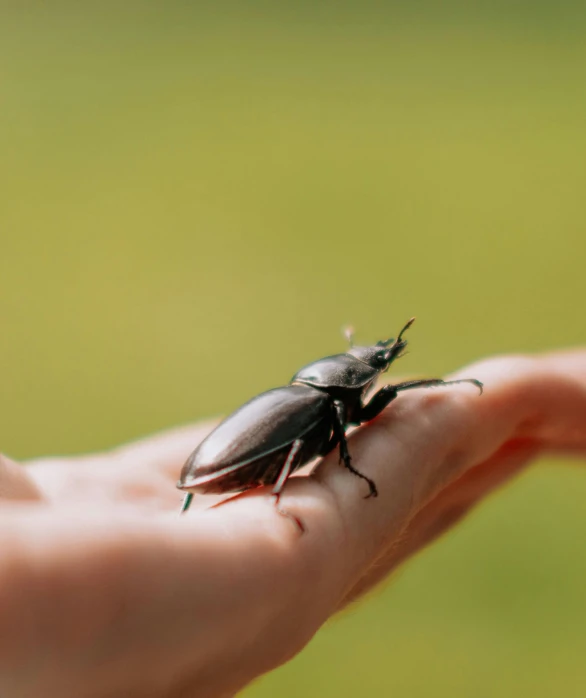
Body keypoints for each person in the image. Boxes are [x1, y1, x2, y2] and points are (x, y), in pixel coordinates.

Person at [0, 351, 585, 698]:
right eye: (371, 369)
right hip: (241, 463)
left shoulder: (325, 399)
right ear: (347, 382)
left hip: (215, 467)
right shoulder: (320, 406)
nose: (379, 374)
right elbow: (317, 445)